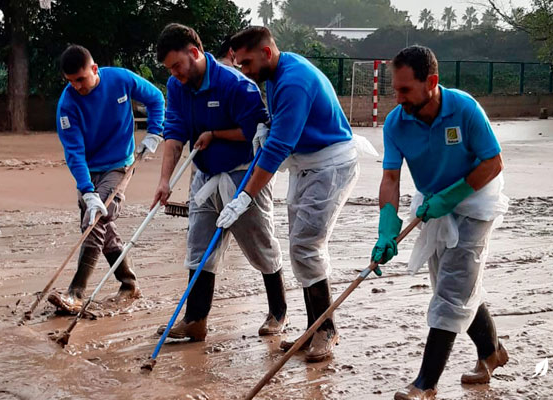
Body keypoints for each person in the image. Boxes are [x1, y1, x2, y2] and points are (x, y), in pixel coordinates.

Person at [371, 45, 509, 400]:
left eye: (405, 89)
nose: (397, 97)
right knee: (454, 286)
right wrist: (387, 226)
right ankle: (492, 352)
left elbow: (493, 162)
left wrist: (453, 196)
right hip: (431, 200)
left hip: (476, 199)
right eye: (394, 89)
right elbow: (390, 178)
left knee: (451, 292)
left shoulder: (464, 108)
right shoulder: (396, 122)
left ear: (431, 81)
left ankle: (425, 384)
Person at [225, 26, 364, 362]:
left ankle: (326, 330)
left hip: (331, 165)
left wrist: (244, 196)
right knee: (300, 245)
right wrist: (267, 125)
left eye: (246, 63)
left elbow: (277, 149)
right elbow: (279, 129)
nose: (244, 71)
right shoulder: (274, 75)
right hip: (306, 165)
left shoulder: (293, 80)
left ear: (266, 53)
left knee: (306, 244)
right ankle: (314, 326)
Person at [151, 23, 286, 341]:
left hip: (244, 174)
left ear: (194, 53)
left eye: (177, 65)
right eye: (170, 69)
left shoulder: (237, 85)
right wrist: (164, 180)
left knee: (260, 243)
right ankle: (195, 320)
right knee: (198, 247)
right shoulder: (176, 86)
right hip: (205, 174)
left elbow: (256, 132)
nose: (175, 74)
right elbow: (174, 132)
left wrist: (215, 134)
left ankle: (278, 311)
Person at [48, 45, 165, 314]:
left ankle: (76, 294)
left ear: (94, 69)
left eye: (81, 79)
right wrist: (87, 191)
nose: (77, 87)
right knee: (102, 226)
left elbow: (156, 98)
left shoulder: (121, 79)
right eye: (70, 82)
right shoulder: (67, 105)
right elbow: (74, 152)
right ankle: (129, 283)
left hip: (119, 165)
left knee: (97, 220)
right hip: (88, 170)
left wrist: (154, 132)